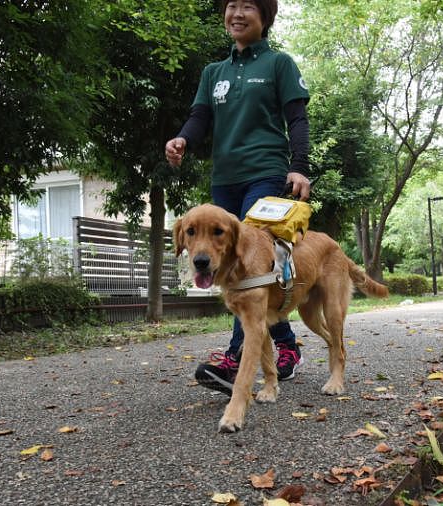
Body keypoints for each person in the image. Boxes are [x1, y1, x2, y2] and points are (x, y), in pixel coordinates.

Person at [165, 0, 311, 395]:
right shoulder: (215, 72)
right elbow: (200, 118)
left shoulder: (279, 64)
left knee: (250, 262)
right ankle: (285, 346)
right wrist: (183, 138)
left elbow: (297, 119)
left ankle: (235, 359)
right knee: (232, 266)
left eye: (249, 5)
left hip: (265, 172)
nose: (238, 13)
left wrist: (299, 166)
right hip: (225, 180)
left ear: (264, 17)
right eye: (232, 5)